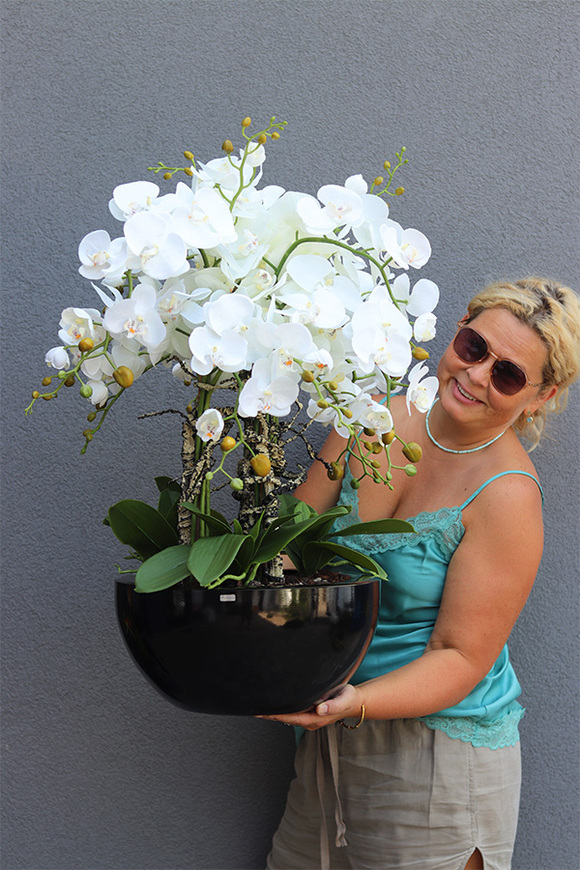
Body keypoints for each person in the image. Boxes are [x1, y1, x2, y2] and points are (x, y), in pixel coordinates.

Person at [264, 278, 580, 870]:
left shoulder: (508, 495)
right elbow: (289, 542)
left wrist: (349, 701)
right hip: (327, 727)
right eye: (474, 347)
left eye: (509, 375)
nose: (477, 375)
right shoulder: (369, 417)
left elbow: (460, 656)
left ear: (541, 396)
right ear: (457, 329)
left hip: (437, 757)